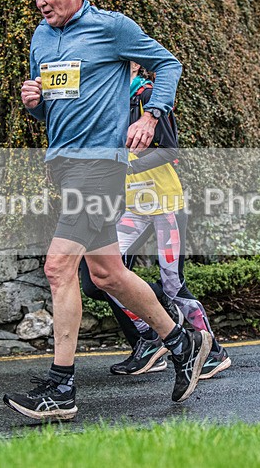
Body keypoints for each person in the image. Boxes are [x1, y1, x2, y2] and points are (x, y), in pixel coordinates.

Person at [3, 0, 212, 422]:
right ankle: (182, 341)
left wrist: (150, 115)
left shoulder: (111, 27)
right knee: (106, 275)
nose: (40, 3)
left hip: (101, 167)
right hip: (65, 166)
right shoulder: (41, 39)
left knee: (58, 267)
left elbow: (168, 63)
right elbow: (52, 110)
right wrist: (35, 105)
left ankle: (61, 387)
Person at [80, 62, 231, 379]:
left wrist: (124, 166)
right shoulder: (110, 102)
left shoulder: (148, 97)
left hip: (165, 204)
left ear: (134, 66)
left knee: (173, 284)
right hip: (132, 207)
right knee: (103, 275)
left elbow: (170, 151)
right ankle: (150, 337)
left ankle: (213, 352)